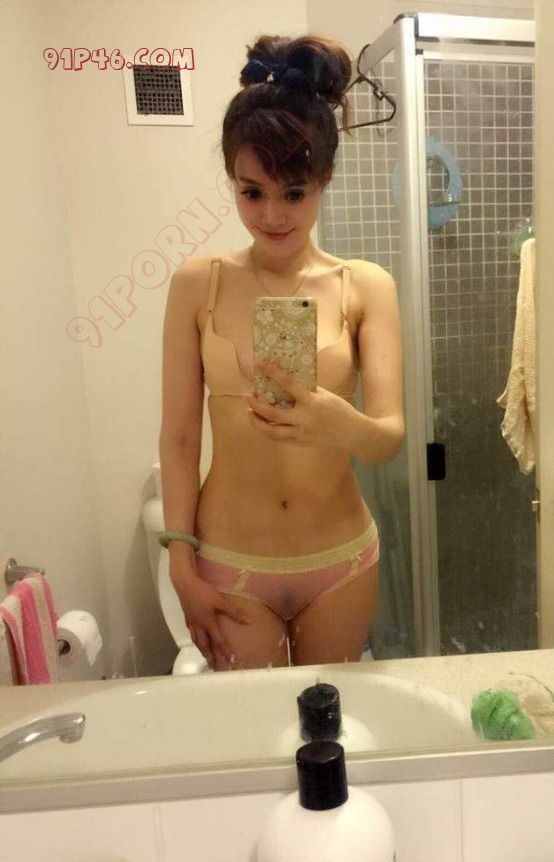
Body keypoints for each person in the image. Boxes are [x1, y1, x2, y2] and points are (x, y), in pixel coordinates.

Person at [158, 33, 404, 673]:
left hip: (340, 557)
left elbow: (388, 437)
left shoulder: (366, 286)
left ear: (324, 180)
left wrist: (338, 422)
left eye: (293, 193)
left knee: (331, 720)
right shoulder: (197, 285)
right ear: (233, 182)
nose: (271, 215)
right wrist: (180, 565)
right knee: (255, 727)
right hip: (230, 559)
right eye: (251, 192)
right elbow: (179, 438)